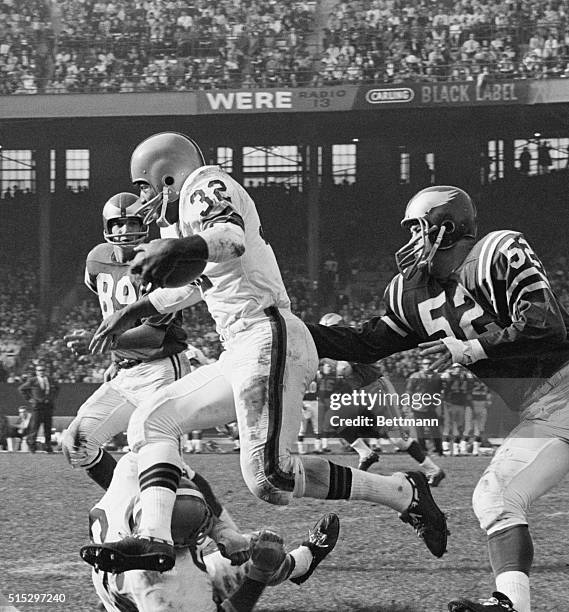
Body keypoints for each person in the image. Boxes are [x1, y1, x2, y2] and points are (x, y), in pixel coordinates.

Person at [82, 132, 448, 574]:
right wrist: (135, 309)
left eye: (142, 185)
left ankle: (404, 493)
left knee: (272, 479)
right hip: (240, 346)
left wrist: (178, 247)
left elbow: (230, 238)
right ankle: (153, 538)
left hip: (267, 334)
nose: (141, 197)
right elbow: (202, 284)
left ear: (165, 175)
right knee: (153, 421)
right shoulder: (180, 220)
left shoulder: (203, 183)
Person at [306, 185, 569, 612]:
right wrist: (292, 331)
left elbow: (546, 324)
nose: (410, 241)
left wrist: (470, 348)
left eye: (416, 229)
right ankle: (511, 604)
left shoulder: (496, 253)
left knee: (497, 496)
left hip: (563, 384)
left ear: (445, 229)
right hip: (541, 409)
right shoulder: (416, 294)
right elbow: (367, 343)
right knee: (495, 497)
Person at [80, 452, 340, 612]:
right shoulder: (163, 584)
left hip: (120, 582)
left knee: (251, 545)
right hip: (151, 595)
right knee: (261, 556)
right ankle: (303, 559)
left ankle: (114, 601)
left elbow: (178, 470)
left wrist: (221, 529)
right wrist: (259, 575)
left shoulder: (132, 472)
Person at [61, 193, 195, 489]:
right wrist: (115, 359)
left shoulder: (158, 262)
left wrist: (104, 342)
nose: (124, 230)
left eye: (131, 222)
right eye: (118, 224)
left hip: (161, 367)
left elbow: (152, 335)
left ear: (144, 223)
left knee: (161, 460)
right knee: (77, 443)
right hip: (125, 370)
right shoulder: (96, 259)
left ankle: (219, 528)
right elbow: (113, 312)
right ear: (107, 225)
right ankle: (130, 502)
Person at [18, 363, 59, 453]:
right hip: (37, 406)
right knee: (35, 426)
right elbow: (22, 389)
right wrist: (30, 399)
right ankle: (32, 446)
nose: (41, 372)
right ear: (36, 372)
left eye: (43, 370)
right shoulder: (33, 380)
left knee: (48, 427)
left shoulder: (50, 380)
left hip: (48, 406)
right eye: (39, 370)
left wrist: (51, 398)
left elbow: (57, 388)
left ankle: (48, 445)